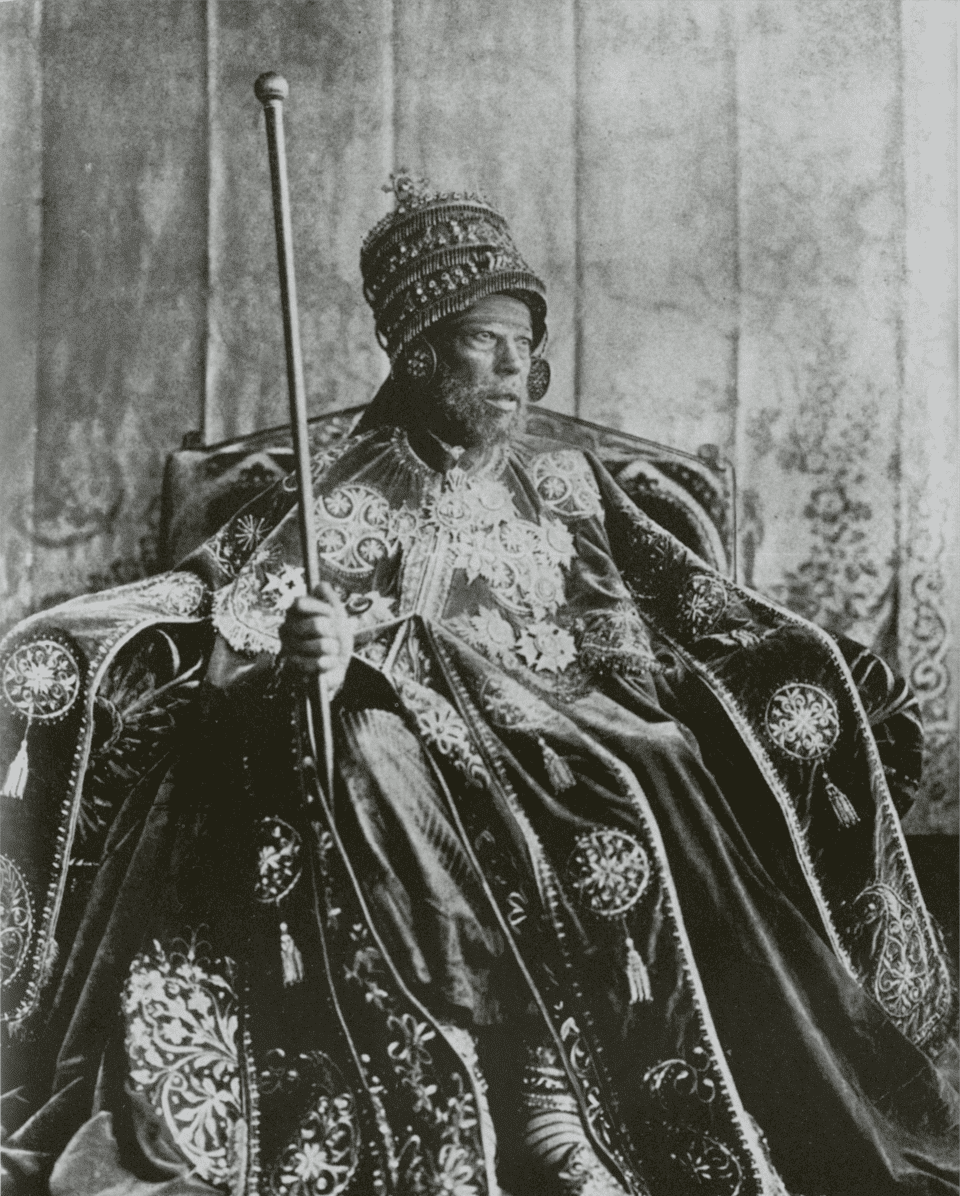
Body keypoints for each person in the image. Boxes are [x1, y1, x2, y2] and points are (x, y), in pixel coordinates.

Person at [0, 176, 956, 1196]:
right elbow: (238, 621)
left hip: (579, 734)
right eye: (483, 342)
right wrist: (313, 652)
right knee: (372, 758)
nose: (513, 367)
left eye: (522, 343)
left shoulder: (569, 484)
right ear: (419, 354)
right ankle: (516, 1096)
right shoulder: (340, 496)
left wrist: (793, 672)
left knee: (660, 759)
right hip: (431, 753)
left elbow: (675, 611)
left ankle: (588, 1098)